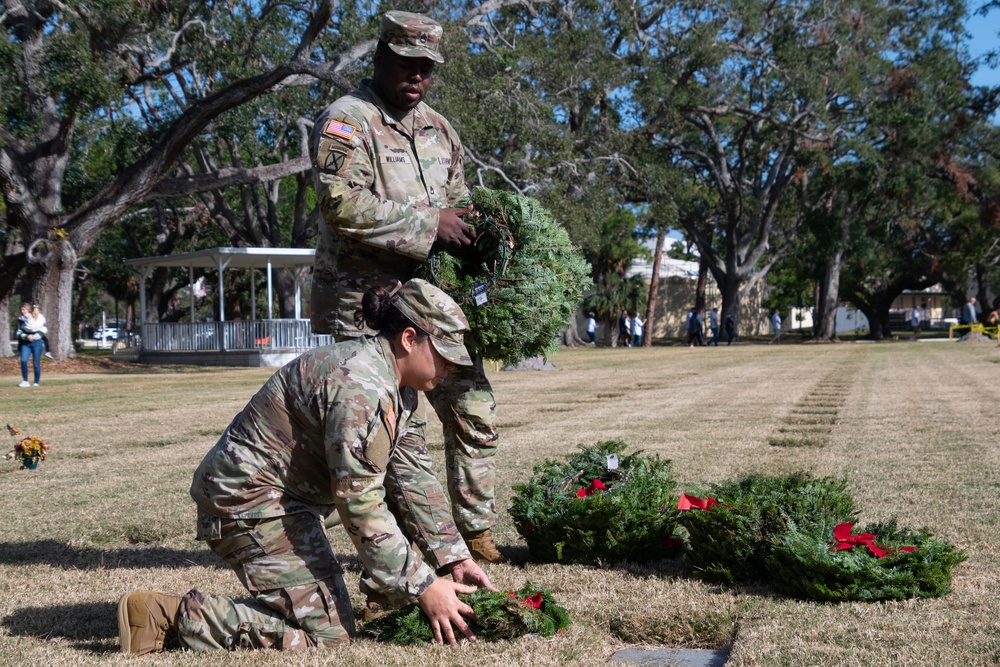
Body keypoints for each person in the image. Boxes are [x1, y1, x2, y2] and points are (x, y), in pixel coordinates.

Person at [117, 280, 498, 655]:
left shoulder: (401, 387)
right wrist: (423, 586)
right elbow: (360, 500)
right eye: (444, 351)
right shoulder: (360, 386)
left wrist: (454, 557)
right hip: (247, 504)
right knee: (329, 637)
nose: (452, 364)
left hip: (285, 502)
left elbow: (413, 474)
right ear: (409, 339)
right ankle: (168, 616)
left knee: (329, 623)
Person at [308, 11, 503, 564]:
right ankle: (408, 550)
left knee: (474, 404)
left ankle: (476, 530)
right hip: (359, 304)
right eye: (406, 65)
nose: (416, 77)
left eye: (426, 69)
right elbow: (340, 203)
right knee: (391, 431)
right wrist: (428, 224)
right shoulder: (348, 120)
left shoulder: (440, 130)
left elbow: (460, 205)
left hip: (428, 300)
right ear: (380, 58)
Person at [15, 303, 46, 387]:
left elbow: (43, 329)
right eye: (21, 310)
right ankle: (25, 381)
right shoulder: (21, 319)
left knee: (36, 363)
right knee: (24, 361)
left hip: (37, 343)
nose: (22, 311)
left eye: (24, 309)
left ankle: (36, 382)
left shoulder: (39, 318)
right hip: (26, 343)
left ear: (28, 309)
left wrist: (35, 336)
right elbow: (18, 332)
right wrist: (26, 336)